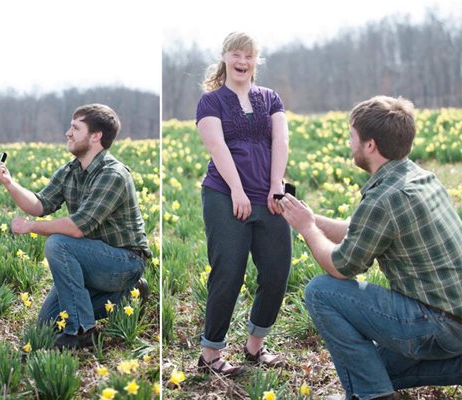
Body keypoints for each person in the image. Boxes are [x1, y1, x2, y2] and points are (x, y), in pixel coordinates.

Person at [279, 96, 462, 399]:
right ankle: (372, 388)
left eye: (352, 136)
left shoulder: (384, 199)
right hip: (455, 323)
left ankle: (373, 396)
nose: (349, 143)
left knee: (321, 291)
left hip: (435, 326)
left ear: (370, 145)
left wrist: (306, 229)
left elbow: (341, 266)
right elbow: (360, 231)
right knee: (368, 368)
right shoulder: (418, 178)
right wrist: (307, 216)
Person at [0, 103, 151, 349]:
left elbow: (77, 228)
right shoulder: (70, 171)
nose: (68, 133)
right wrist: (9, 182)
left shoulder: (113, 175)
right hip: (91, 260)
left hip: (124, 261)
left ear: (96, 136)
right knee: (49, 322)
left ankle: (82, 330)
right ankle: (129, 295)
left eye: (76, 127)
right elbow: (40, 204)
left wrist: (31, 227)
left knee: (59, 244)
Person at [195, 32, 291, 376]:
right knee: (229, 272)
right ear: (224, 57)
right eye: (236, 54)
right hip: (224, 194)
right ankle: (210, 354)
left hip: (269, 196)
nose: (242, 61)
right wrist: (237, 190)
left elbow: (280, 140)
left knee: (278, 271)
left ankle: (255, 346)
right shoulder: (212, 101)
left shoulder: (270, 98)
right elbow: (217, 147)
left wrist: (276, 185)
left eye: (249, 56)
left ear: (256, 61)